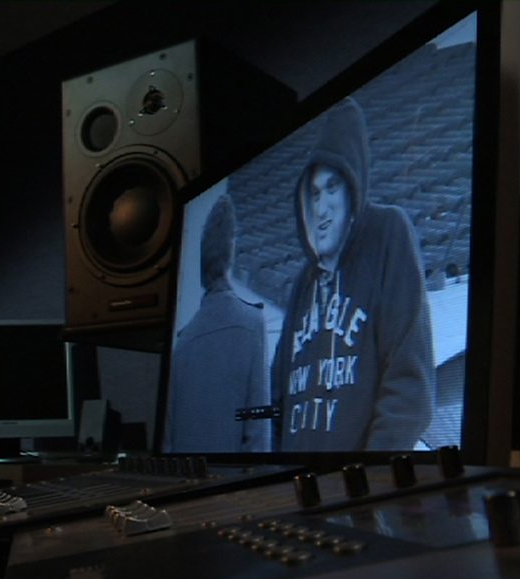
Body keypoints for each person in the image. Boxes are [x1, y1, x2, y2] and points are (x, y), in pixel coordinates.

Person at [270, 97, 434, 452]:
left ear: (353, 187)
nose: (321, 208)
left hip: (358, 482)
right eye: (314, 194)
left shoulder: (388, 232)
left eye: (332, 188)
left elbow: (409, 383)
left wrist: (370, 473)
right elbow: (279, 397)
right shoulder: (303, 282)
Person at [165, 194, 270, 453]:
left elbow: (168, 442)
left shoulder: (182, 343)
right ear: (232, 251)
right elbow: (258, 434)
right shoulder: (252, 324)